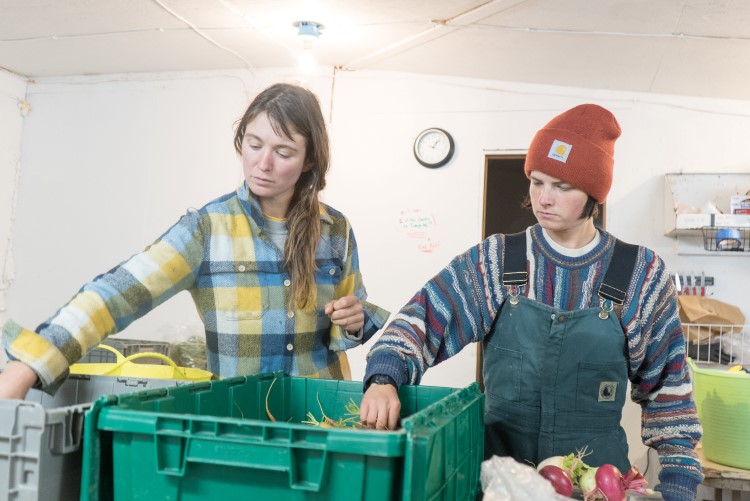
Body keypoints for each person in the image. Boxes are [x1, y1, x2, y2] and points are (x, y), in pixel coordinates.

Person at [359, 104, 703, 501]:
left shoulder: (641, 274)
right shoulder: (496, 262)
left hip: (596, 487)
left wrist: (679, 485)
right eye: (536, 182)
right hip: (502, 483)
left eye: (562, 186)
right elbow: (425, 316)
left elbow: (669, 392)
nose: (544, 199)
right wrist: (384, 377)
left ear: (594, 193)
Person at [0, 82, 389, 399]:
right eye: (254, 145)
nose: (263, 164)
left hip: (323, 417)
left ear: (308, 161)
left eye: (283, 152)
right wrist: (29, 364)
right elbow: (118, 293)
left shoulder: (335, 229)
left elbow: (351, 319)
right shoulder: (207, 229)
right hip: (240, 423)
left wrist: (355, 320)